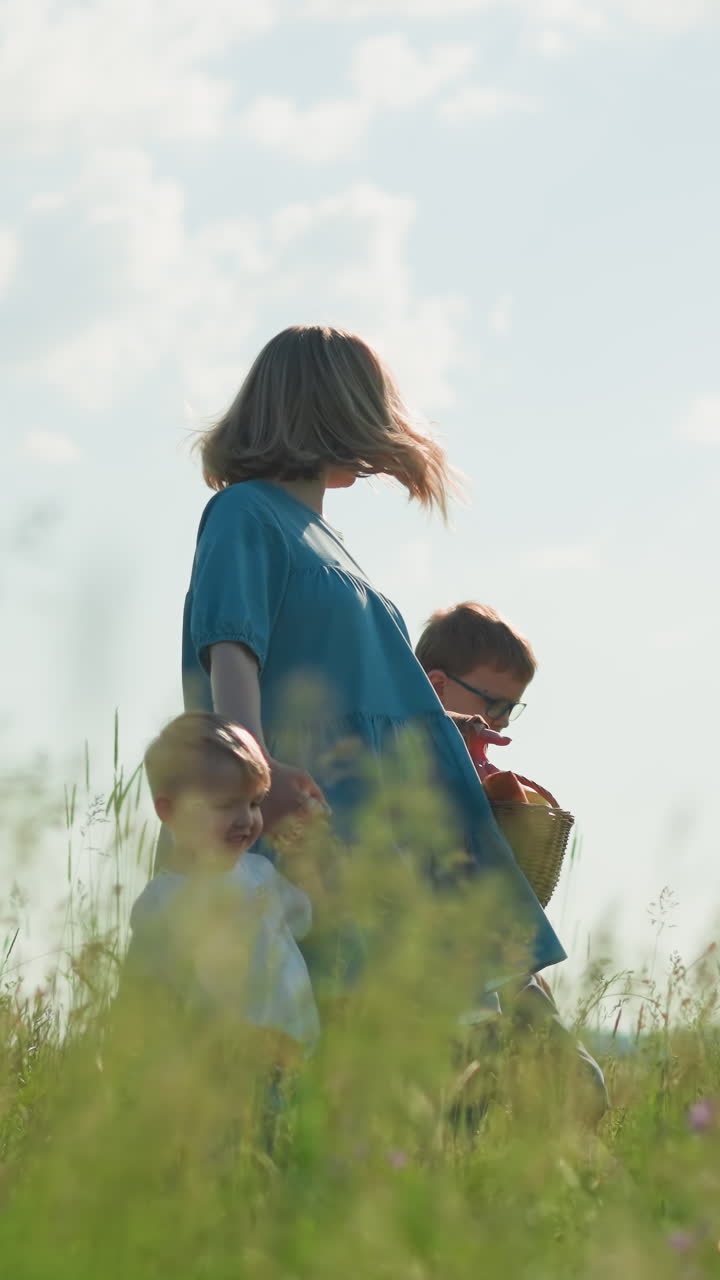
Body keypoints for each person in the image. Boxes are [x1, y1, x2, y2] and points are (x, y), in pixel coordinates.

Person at [159, 324, 566, 1008]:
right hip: (306, 823)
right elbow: (231, 648)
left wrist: (446, 724)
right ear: (332, 408)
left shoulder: (325, 538)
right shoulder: (245, 512)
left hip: (374, 832)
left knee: (390, 1055)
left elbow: (356, 679)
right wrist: (255, 781)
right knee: (298, 1038)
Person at [415, 601, 608, 1120]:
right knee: (464, 1088)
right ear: (435, 686)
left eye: (511, 708)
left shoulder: (481, 766)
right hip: (449, 962)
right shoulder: (408, 761)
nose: (500, 721)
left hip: (495, 956)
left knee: (583, 1085)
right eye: (494, 704)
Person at [127, 712, 320, 1056]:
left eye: (254, 803)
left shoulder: (261, 874)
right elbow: (143, 995)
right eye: (226, 806)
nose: (246, 819)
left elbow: (304, 919)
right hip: (218, 1068)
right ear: (170, 811)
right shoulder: (162, 901)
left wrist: (305, 858)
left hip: (291, 1061)